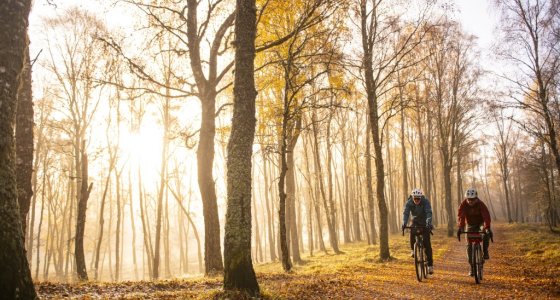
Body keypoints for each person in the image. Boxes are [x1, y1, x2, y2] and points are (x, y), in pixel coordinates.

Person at [457, 187, 492, 276]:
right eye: (469, 200)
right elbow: (461, 216)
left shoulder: (481, 204)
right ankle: (472, 268)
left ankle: (485, 251)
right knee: (469, 246)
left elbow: (486, 216)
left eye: (472, 200)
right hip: (470, 224)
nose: (470, 202)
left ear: (476, 199)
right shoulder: (463, 204)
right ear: (466, 199)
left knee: (485, 232)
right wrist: (461, 227)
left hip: (480, 223)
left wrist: (487, 227)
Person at [402, 188, 434, 274]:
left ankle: (430, 265)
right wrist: (404, 223)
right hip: (415, 221)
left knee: (427, 243)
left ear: (421, 197)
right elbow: (406, 213)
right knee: (412, 232)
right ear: (412, 198)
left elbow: (429, 212)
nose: (416, 200)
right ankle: (413, 249)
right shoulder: (409, 202)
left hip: (424, 222)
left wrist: (428, 221)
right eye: (415, 198)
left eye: (418, 198)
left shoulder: (425, 201)